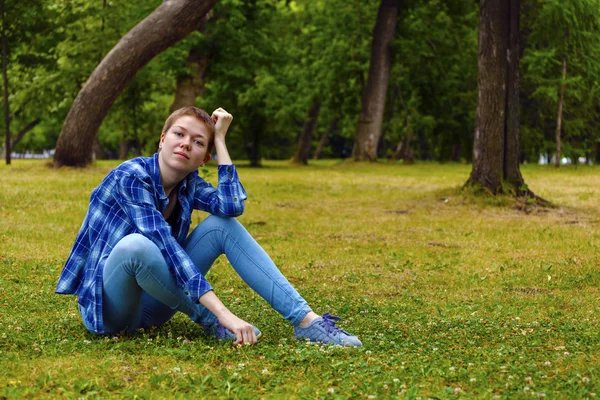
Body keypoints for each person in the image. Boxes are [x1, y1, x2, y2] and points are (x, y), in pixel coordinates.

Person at [55, 106, 362, 347]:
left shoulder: (189, 184)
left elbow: (232, 206)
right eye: (179, 134)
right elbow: (166, 249)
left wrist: (221, 141)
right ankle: (212, 322)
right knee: (138, 245)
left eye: (199, 142)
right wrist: (222, 313)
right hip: (111, 313)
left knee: (220, 224)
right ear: (162, 140)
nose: (186, 144)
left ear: (204, 158)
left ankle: (307, 322)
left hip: (153, 307)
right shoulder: (132, 177)